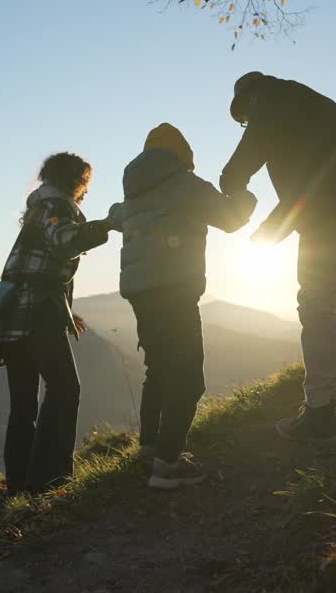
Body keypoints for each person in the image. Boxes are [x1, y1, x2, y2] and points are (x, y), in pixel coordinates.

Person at [219, 72, 336, 442]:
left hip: (335, 204)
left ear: (247, 101)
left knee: (314, 299)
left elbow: (250, 167)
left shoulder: (268, 103)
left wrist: (232, 188)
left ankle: (320, 411)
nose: (246, 125)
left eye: (243, 119)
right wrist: (273, 229)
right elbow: (310, 178)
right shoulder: (307, 102)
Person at [107, 124, 257, 488]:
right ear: (183, 156)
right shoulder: (188, 186)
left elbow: (115, 215)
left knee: (157, 369)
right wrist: (244, 195)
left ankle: (150, 448)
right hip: (175, 289)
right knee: (188, 377)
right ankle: (169, 463)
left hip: (140, 293)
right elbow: (232, 219)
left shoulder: (133, 193)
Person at [0, 152, 111, 495]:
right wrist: (104, 227)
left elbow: (37, 267)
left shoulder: (38, 209)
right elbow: (66, 242)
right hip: (37, 312)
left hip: (13, 315)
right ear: (78, 180)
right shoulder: (58, 206)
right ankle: (50, 480)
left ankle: (18, 487)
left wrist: (68, 311)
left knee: (23, 406)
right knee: (66, 389)